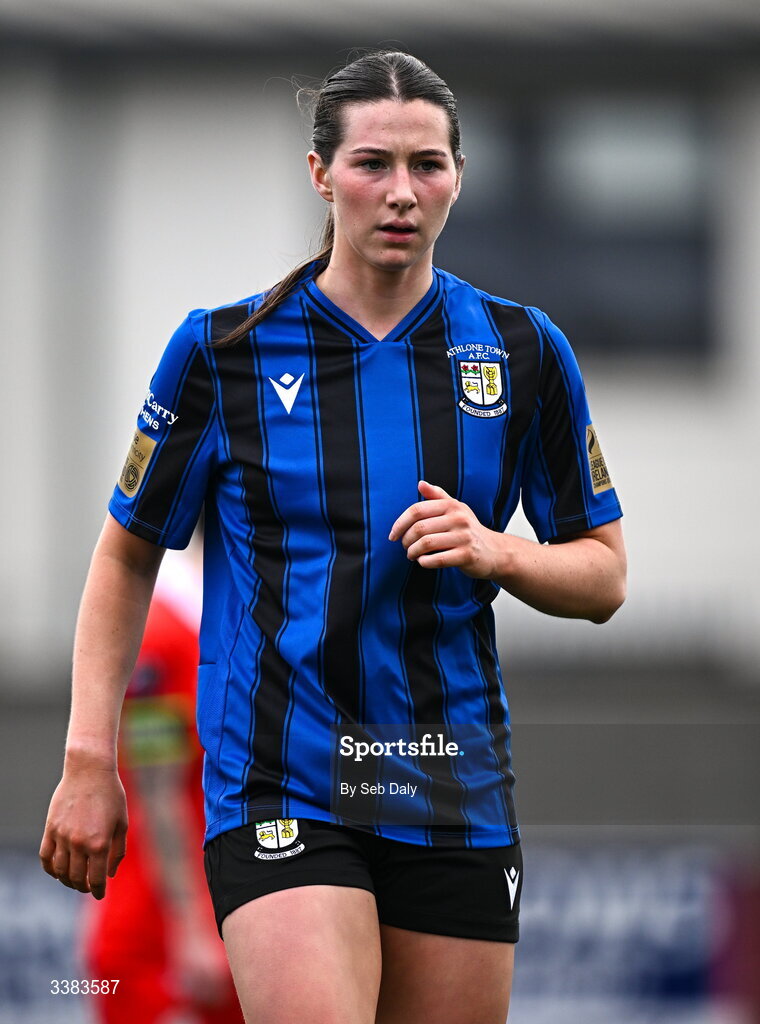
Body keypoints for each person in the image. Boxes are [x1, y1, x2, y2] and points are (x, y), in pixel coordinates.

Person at [40, 49, 626, 1024]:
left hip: (450, 783)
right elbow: (127, 551)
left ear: (458, 176)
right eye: (371, 163)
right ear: (321, 175)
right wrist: (88, 756)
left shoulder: (523, 351)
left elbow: (603, 574)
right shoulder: (222, 351)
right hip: (282, 781)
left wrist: (498, 550)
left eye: (427, 164)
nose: (401, 191)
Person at [82, 538, 244, 1024]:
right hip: (165, 940)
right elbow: (156, 792)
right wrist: (190, 927)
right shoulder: (161, 631)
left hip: (230, 919)